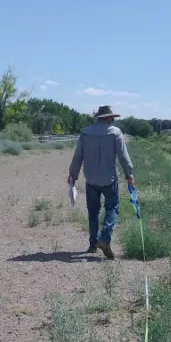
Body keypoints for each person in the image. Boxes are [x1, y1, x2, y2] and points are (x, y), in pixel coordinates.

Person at [68, 105, 135, 259]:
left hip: (91, 179)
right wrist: (129, 174)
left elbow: (78, 157)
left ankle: (93, 244)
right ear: (108, 117)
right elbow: (123, 157)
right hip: (109, 179)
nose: (112, 120)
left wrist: (73, 175)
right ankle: (104, 238)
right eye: (111, 117)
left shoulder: (85, 133)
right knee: (112, 208)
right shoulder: (115, 133)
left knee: (93, 212)